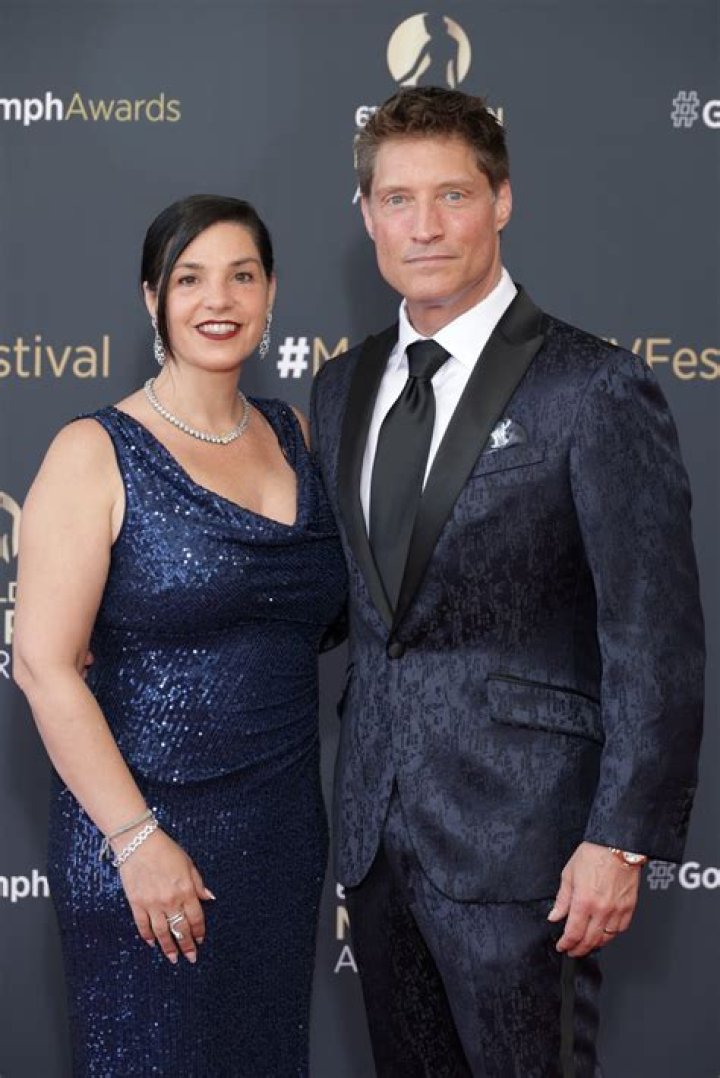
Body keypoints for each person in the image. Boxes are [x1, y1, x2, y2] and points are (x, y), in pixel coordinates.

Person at [310, 87, 704, 1076]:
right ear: (367, 216)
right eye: (397, 199)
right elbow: (352, 597)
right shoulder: (344, 384)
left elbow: (652, 633)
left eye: (452, 194)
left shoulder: (592, 385)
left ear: (503, 201)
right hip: (377, 841)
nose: (425, 226)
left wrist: (620, 839)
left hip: (533, 846)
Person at [13, 194, 347, 1076]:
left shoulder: (293, 434)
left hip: (280, 839)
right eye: (190, 279)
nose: (219, 299)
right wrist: (137, 840)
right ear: (152, 299)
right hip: (143, 842)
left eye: (243, 275)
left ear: (271, 293)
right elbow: (43, 665)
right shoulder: (94, 451)